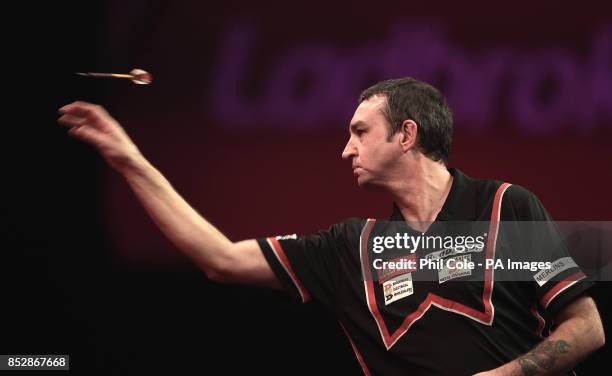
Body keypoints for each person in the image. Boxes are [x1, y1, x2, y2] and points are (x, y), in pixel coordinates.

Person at [58, 77, 605, 375]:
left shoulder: (505, 206)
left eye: (360, 131)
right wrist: (130, 161)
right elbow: (219, 258)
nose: (346, 149)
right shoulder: (351, 248)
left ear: (406, 134)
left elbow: (587, 327)